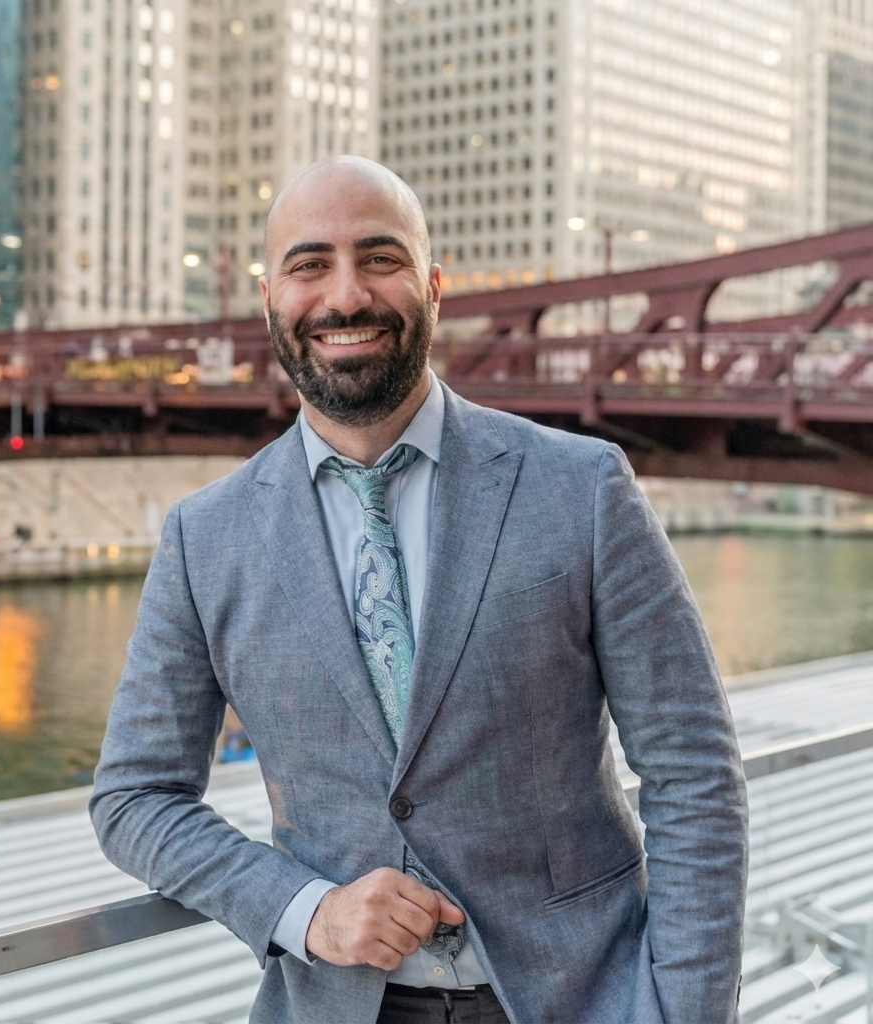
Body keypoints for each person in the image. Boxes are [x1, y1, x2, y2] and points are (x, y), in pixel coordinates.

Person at [90, 156, 748, 1024]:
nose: (346, 296)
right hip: (337, 1003)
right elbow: (135, 796)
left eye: (381, 258)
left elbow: (693, 770)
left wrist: (685, 1013)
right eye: (309, 264)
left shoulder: (582, 487)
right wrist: (303, 909)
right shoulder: (203, 536)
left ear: (434, 285)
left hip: (583, 996)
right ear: (270, 301)